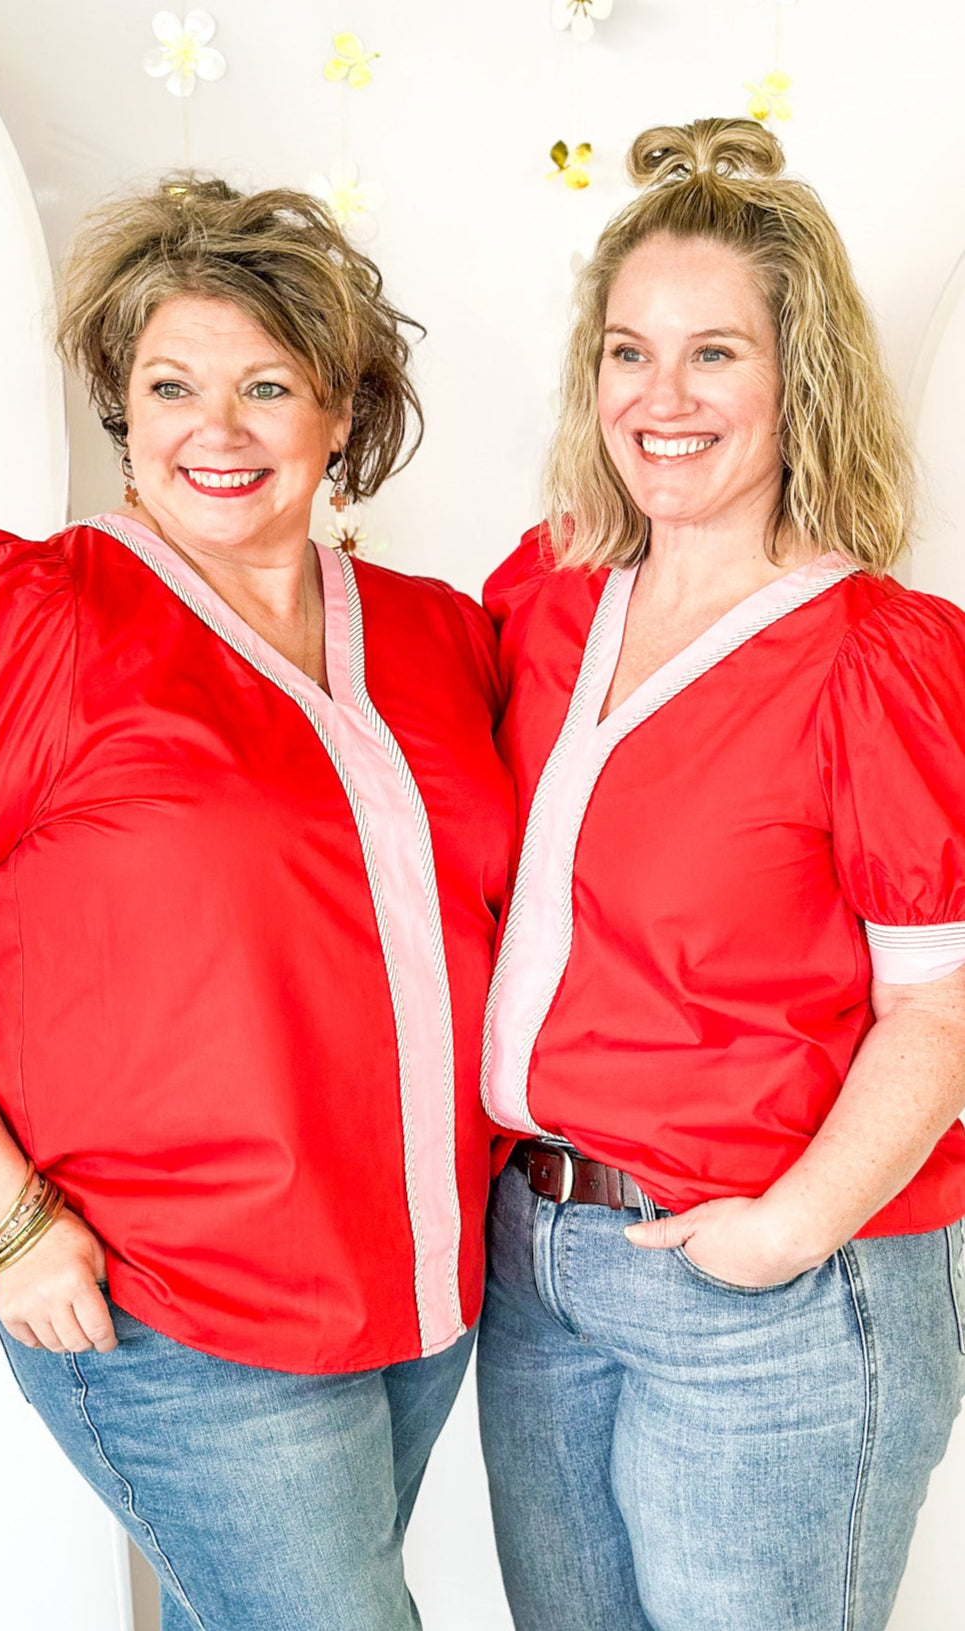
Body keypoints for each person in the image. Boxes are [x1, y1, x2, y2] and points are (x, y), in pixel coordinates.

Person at [0, 176, 513, 1630]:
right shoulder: (37, 618)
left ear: (342, 412)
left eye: (267, 385)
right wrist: (12, 1223)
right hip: (161, 1295)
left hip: (422, 1280)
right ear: (122, 407)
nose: (217, 428)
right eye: (169, 384)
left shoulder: (444, 638)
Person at [476, 117, 965, 1631]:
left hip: (767, 1283)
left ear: (793, 374)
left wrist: (785, 1231)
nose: (659, 399)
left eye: (712, 355)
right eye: (628, 353)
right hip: (539, 1261)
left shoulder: (875, 658)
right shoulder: (546, 595)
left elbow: (939, 1007)